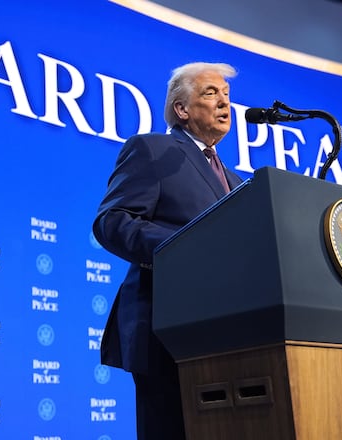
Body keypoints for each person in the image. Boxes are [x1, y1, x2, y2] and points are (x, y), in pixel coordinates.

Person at [92, 62, 242, 440]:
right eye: (211, 93)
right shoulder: (154, 150)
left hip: (232, 334)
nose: (225, 103)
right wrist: (185, 247)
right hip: (166, 329)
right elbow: (113, 221)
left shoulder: (239, 183)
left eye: (226, 94)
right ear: (182, 109)